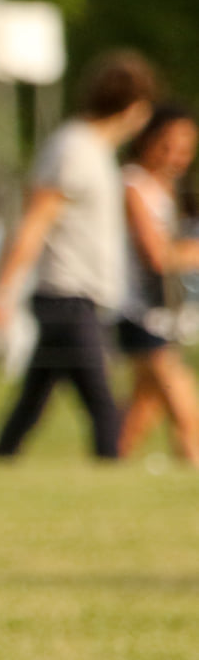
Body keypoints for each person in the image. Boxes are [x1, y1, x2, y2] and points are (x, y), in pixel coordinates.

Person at [0, 50, 158, 460]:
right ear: (135, 107)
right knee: (101, 402)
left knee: (35, 397)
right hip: (67, 296)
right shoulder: (74, 149)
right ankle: (112, 473)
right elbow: (35, 222)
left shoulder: (95, 151)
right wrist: (2, 293)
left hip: (83, 296)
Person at [115, 103, 199, 463]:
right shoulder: (132, 184)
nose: (175, 157)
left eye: (184, 149)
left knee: (141, 411)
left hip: (163, 312)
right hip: (137, 312)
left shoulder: (166, 191)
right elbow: (156, 255)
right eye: (167, 145)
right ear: (147, 139)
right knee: (187, 409)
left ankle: (106, 468)